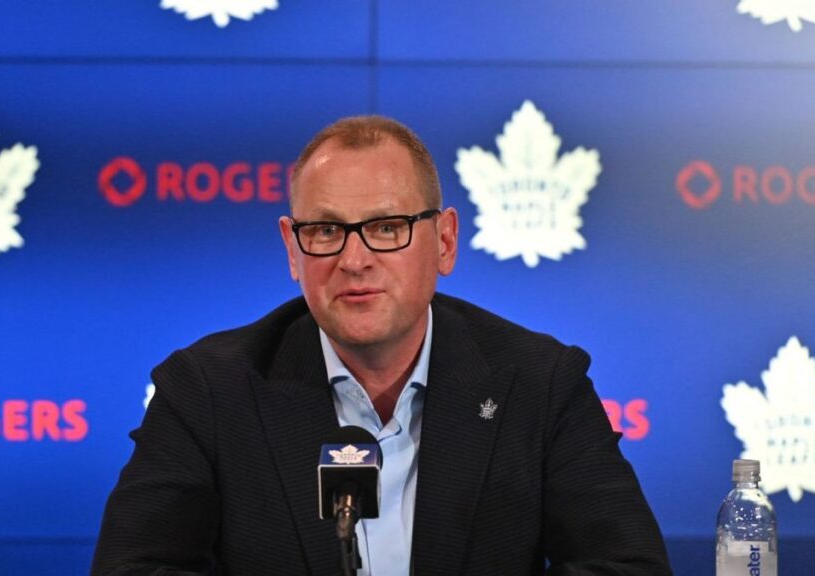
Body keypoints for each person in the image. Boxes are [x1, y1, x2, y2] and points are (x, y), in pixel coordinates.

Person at [92, 116, 672, 575]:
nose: (353, 258)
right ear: (293, 250)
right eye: (325, 230)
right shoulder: (207, 392)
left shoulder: (539, 384)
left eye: (387, 227)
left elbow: (626, 566)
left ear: (444, 241)